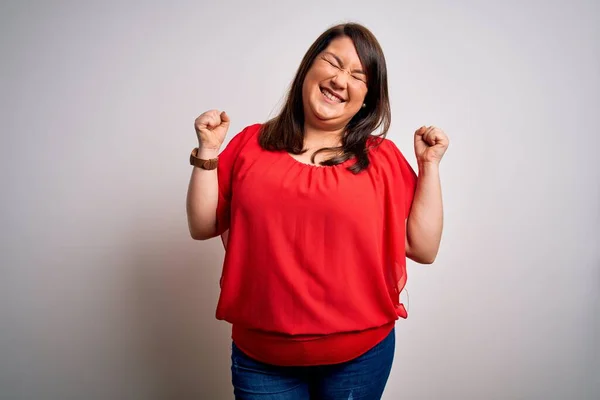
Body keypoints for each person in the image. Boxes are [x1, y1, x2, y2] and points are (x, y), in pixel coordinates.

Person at [186, 22, 448, 400]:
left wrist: (430, 167)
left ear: (367, 97)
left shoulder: (382, 158)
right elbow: (202, 225)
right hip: (262, 358)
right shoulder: (249, 144)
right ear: (309, 67)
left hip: (359, 358)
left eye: (358, 76)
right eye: (333, 63)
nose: (342, 80)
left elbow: (424, 248)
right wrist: (208, 151)